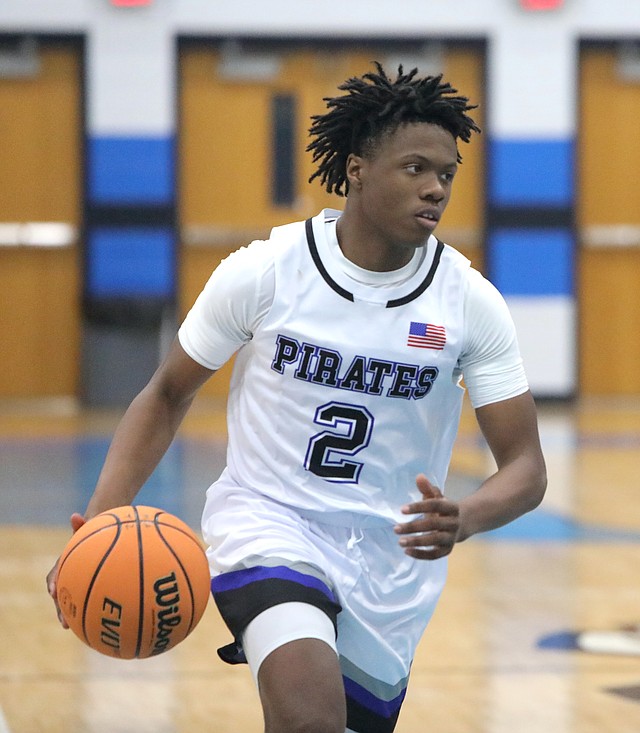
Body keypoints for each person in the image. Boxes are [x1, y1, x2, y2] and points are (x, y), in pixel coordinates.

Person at [47, 63, 547, 733]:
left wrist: (469, 515)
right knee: (309, 716)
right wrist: (100, 523)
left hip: (389, 565)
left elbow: (526, 466)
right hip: (268, 525)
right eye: (416, 168)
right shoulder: (266, 272)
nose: (436, 188)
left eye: (448, 174)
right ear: (357, 167)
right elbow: (166, 394)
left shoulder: (469, 303)